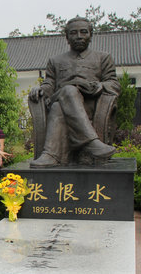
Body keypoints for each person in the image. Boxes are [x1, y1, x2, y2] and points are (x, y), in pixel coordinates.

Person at [29, 17, 121, 167]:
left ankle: (51, 154)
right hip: (61, 95)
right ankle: (92, 143)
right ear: (67, 37)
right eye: (73, 33)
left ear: (90, 35)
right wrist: (39, 89)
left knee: (58, 107)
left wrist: (100, 86)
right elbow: (49, 84)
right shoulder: (56, 60)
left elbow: (114, 84)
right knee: (68, 90)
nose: (79, 36)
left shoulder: (103, 58)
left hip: (88, 104)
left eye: (83, 32)